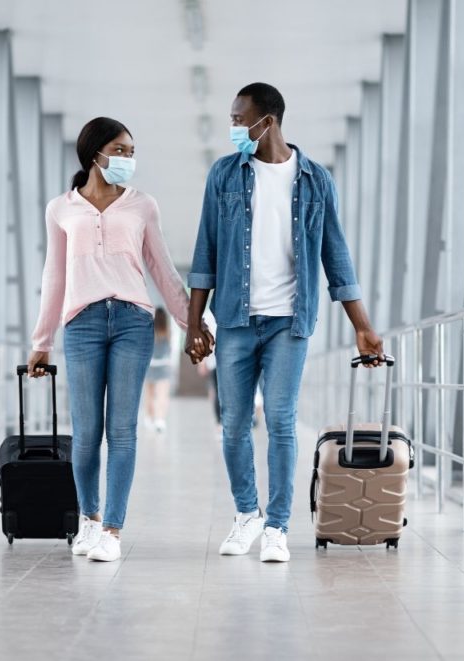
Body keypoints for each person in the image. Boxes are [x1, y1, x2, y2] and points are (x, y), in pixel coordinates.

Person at [185, 83, 384, 563]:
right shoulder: (224, 175)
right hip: (234, 318)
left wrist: (362, 325)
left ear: (266, 121)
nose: (234, 128)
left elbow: (336, 256)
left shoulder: (316, 179)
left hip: (289, 323)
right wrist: (195, 324)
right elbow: (204, 254)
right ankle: (247, 513)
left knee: (280, 421)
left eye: (239, 120)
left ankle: (276, 526)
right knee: (233, 423)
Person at [28, 117, 212, 562]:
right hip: (82, 324)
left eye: (131, 150)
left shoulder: (142, 205)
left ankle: (112, 529)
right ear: (95, 153)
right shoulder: (61, 209)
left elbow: (163, 269)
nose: (128, 158)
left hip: (132, 320)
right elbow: (54, 277)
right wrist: (42, 340)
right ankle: (89, 521)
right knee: (88, 432)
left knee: (123, 430)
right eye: (120, 149)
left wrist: (194, 322)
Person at [142, 307, 174, 433]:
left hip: (150, 366)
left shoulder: (150, 331)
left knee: (149, 394)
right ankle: (160, 420)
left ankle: (149, 418)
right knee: (162, 395)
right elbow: (171, 349)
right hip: (164, 366)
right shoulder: (168, 331)